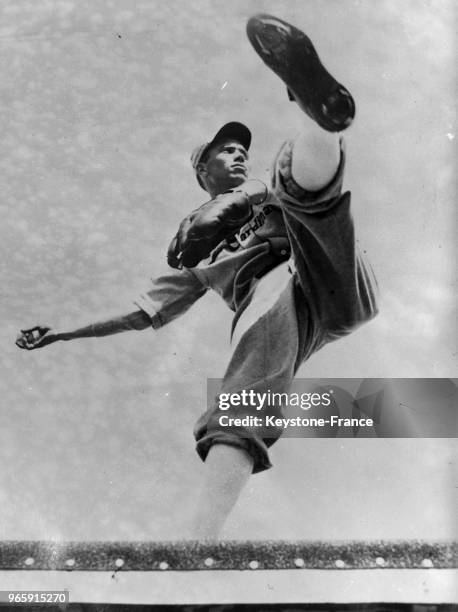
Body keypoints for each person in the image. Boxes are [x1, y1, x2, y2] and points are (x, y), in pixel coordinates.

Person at [15, 14, 378, 539]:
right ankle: (202, 537)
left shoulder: (259, 185)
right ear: (202, 170)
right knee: (245, 392)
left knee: (297, 185)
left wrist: (258, 189)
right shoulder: (197, 249)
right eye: (225, 152)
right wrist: (64, 330)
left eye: (239, 150)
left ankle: (317, 109)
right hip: (279, 297)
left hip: (327, 267)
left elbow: (288, 188)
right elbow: (139, 313)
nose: (238, 154)